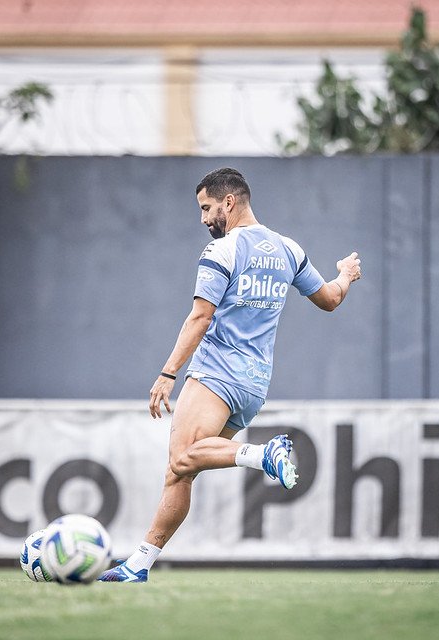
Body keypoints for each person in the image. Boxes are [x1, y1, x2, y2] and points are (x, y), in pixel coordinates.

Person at [98, 167, 361, 582]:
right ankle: (138, 565)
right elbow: (329, 299)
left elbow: (200, 316)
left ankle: (262, 454)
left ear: (229, 202)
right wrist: (345, 274)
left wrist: (168, 373)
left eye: (206, 208)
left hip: (216, 373)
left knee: (184, 457)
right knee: (180, 471)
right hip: (254, 385)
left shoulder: (223, 251)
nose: (203, 219)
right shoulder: (288, 249)